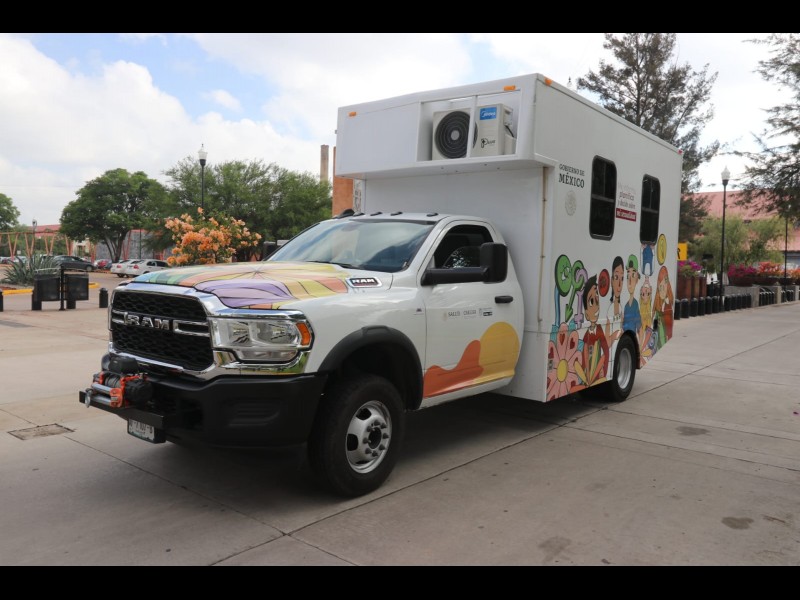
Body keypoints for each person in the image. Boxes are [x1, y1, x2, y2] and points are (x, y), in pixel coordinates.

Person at [622, 254, 641, 335]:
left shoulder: (635, 304)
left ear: (637, 280)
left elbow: (639, 327)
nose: (629, 280)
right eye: (628, 275)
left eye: (633, 275)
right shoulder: (626, 306)